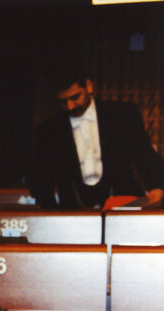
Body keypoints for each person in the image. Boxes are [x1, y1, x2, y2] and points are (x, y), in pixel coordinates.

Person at [28, 63, 164, 209]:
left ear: (88, 86)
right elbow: (40, 178)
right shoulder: (48, 130)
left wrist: (157, 185)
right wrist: (51, 212)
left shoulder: (123, 114)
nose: (70, 106)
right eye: (62, 101)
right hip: (73, 211)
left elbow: (144, 154)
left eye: (75, 97)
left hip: (124, 205)